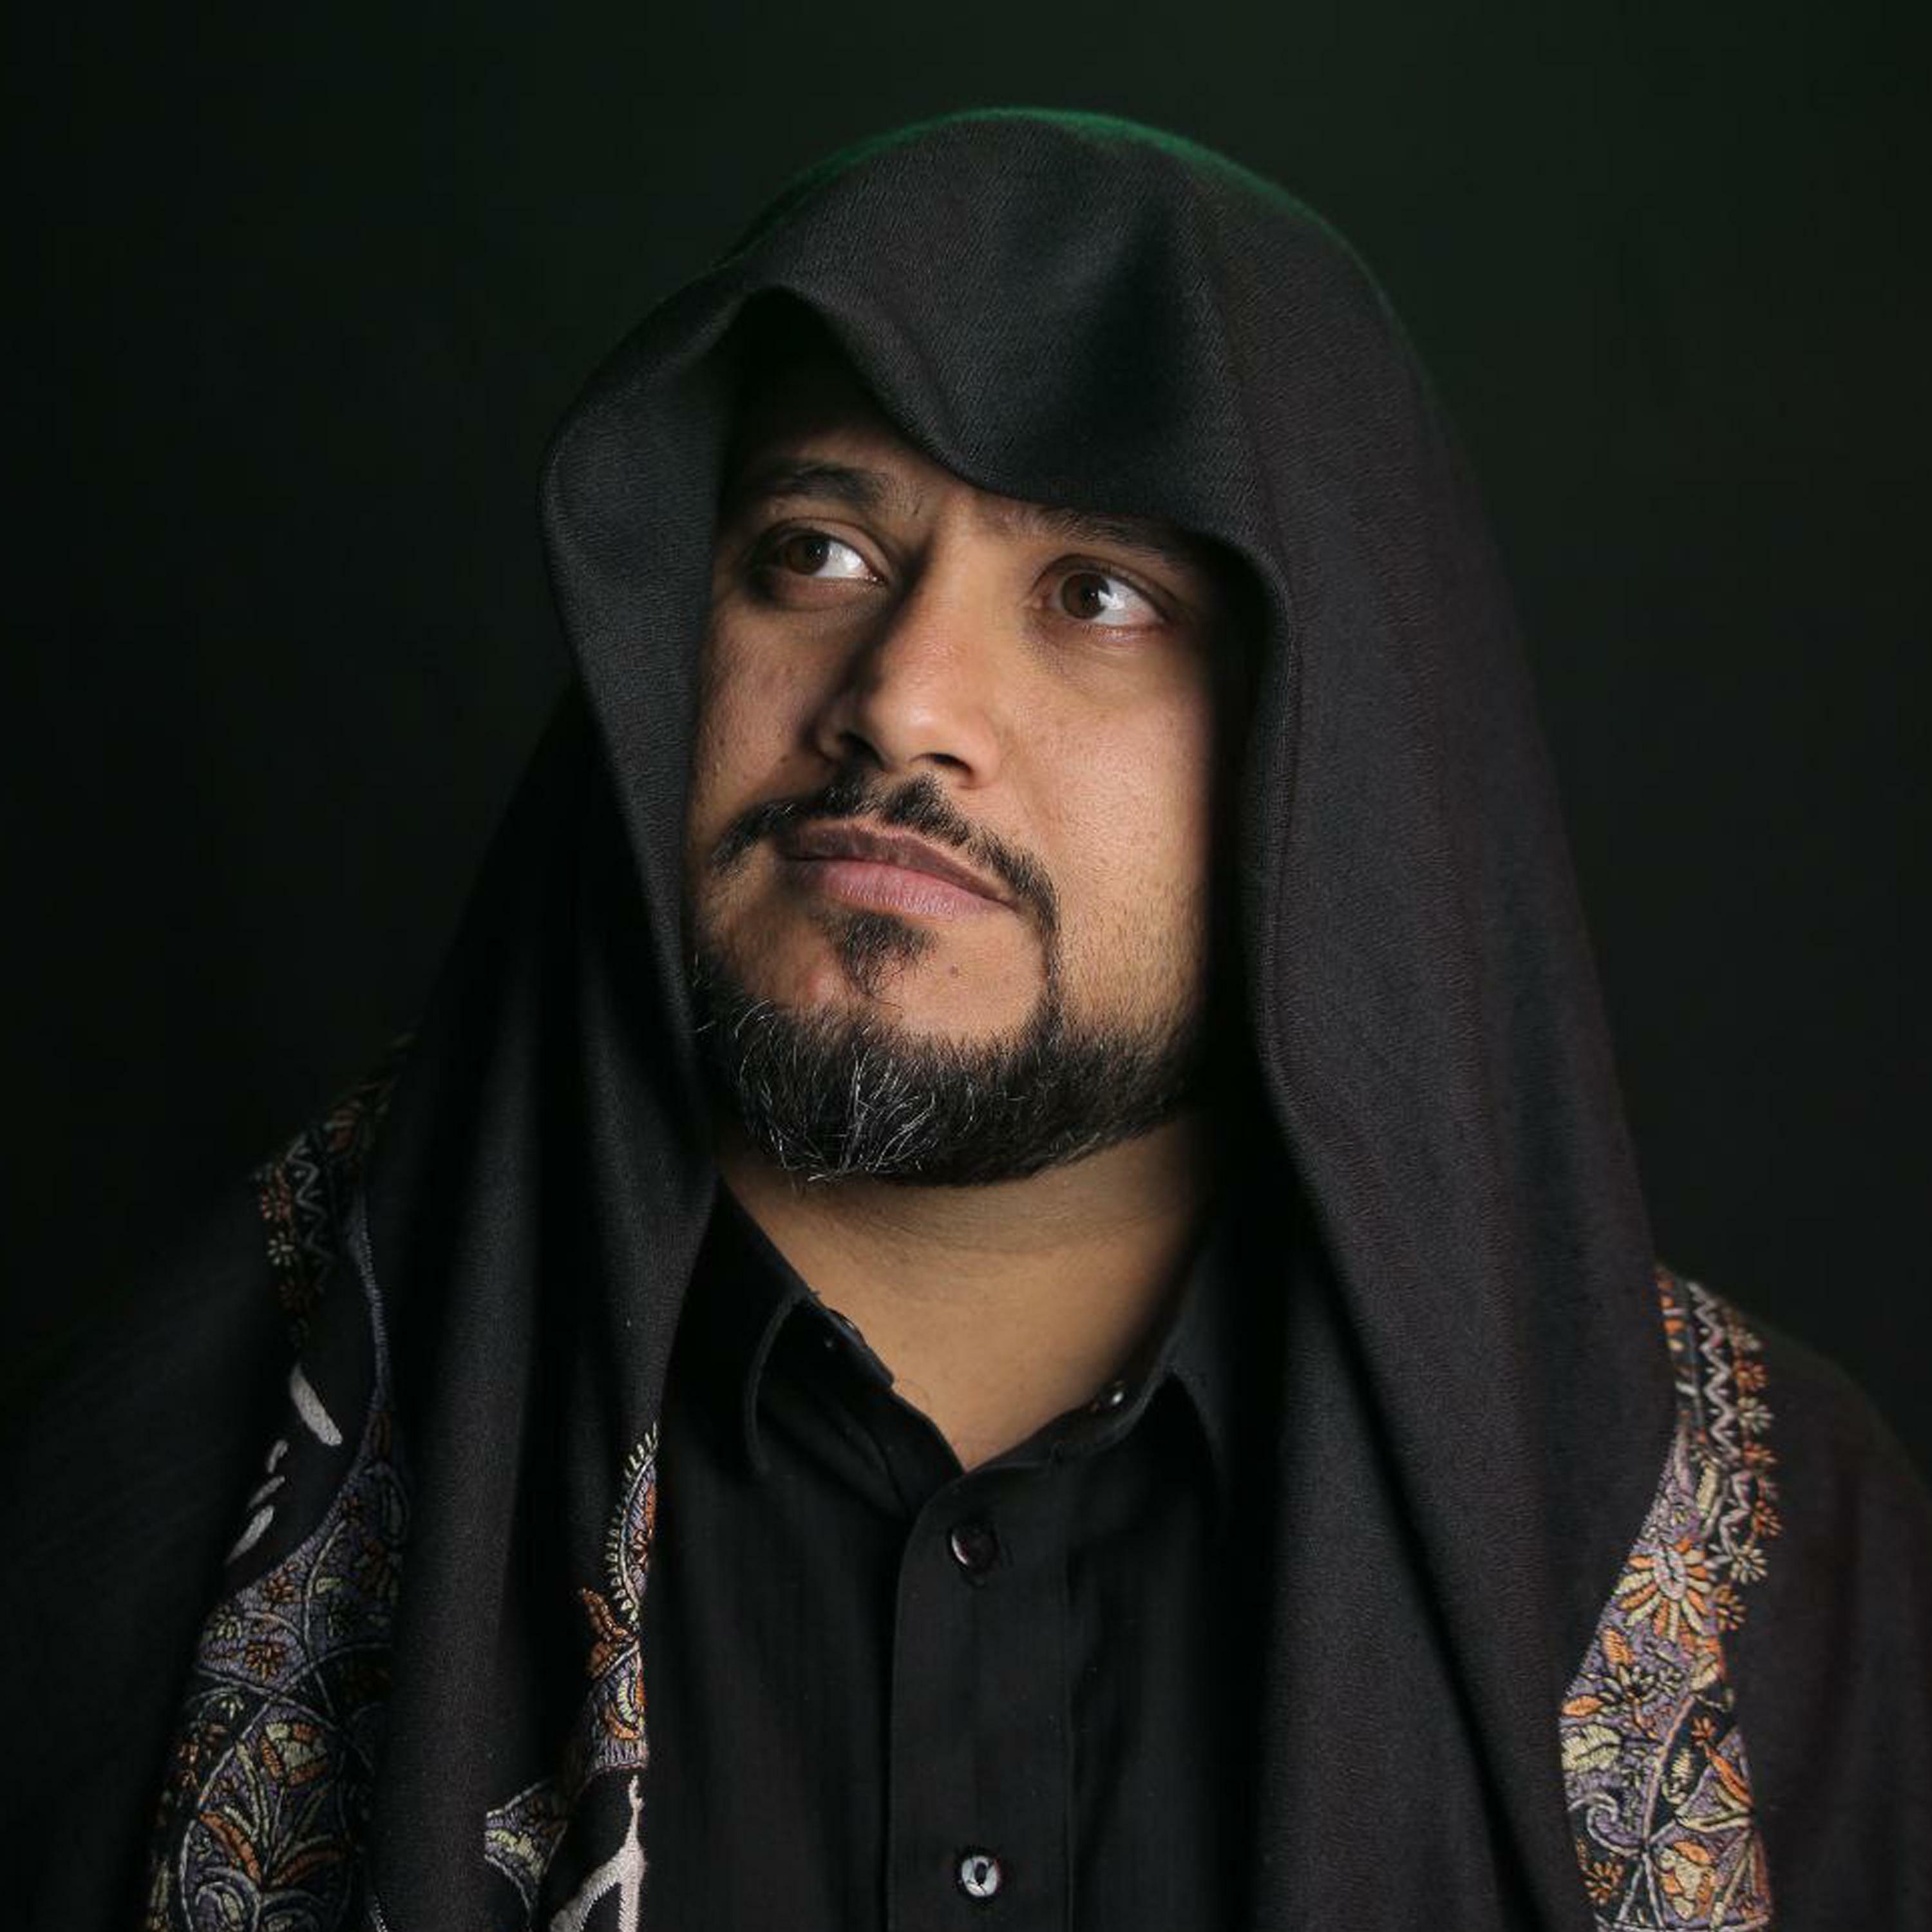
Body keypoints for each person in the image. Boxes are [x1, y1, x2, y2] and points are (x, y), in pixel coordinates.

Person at [7, 108, 1929, 1931]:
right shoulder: (190, 1461)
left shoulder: (1770, 1571)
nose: (904, 699)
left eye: (1097, 594)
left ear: (1324, 746)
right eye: (815, 554)